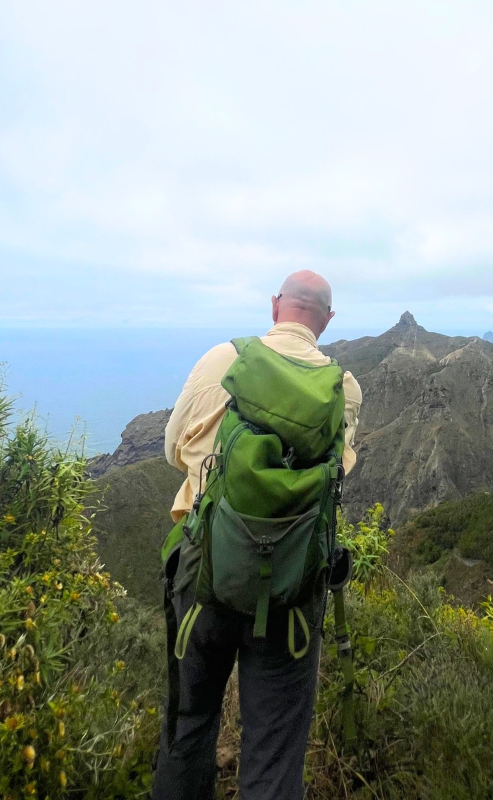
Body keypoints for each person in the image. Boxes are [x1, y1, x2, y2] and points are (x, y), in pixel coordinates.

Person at [153, 270, 362, 800]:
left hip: (205, 577)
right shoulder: (343, 388)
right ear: (327, 320)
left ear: (275, 307)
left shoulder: (223, 359)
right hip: (291, 593)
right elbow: (337, 473)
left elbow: (173, 448)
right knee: (273, 750)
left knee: (189, 726)